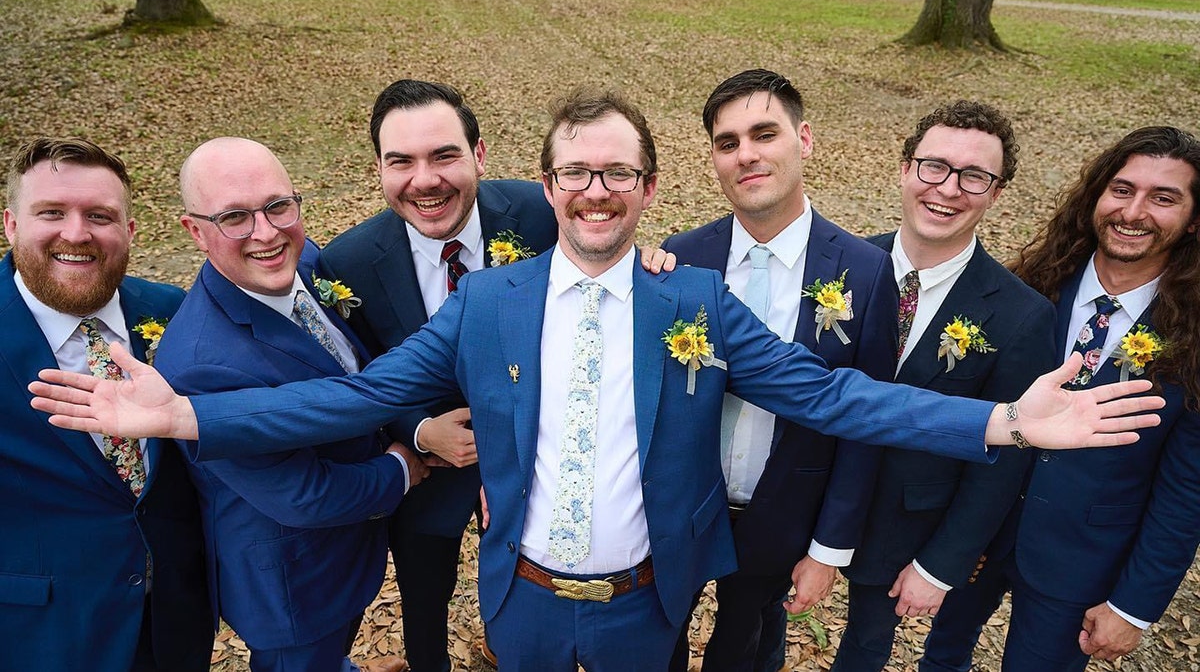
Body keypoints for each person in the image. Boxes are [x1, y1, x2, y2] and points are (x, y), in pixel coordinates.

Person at [30, 90, 1164, 672]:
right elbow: (360, 402)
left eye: (618, 171)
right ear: (548, 184)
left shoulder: (695, 300)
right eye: (576, 171)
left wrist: (1007, 420)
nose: (596, 189)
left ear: (645, 182)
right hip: (518, 601)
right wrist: (184, 411)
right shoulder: (488, 303)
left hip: (642, 606)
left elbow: (833, 396)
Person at [922, 125, 1200, 671]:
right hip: (978, 530)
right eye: (1122, 190)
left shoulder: (1192, 338)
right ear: (1097, 195)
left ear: (1193, 219)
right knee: (940, 655)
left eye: (1163, 198)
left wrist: (1135, 606)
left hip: (1081, 557)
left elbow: (1186, 491)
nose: (1134, 211)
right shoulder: (1030, 288)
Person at [318, 79, 559, 672]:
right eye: (401, 161)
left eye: (444, 155)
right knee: (425, 601)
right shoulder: (348, 263)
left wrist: (653, 260)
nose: (425, 180)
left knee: (537, 598)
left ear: (478, 155)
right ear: (379, 168)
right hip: (428, 473)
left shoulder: (541, 215)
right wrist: (421, 432)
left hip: (541, 462)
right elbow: (361, 370)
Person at [159, 136, 424, 672]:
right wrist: (403, 467)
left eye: (279, 206)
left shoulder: (309, 263)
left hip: (343, 552)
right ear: (194, 230)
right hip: (291, 584)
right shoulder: (198, 363)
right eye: (235, 216)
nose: (267, 232)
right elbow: (304, 495)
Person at [662, 69, 897, 672]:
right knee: (654, 642)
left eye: (764, 134)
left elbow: (865, 421)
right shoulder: (681, 259)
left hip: (786, 510)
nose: (746, 155)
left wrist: (829, 547)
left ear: (805, 139)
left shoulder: (865, 273)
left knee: (745, 651)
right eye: (727, 142)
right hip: (682, 507)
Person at [830, 101, 1056, 671]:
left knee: (863, 651)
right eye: (934, 166)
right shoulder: (841, 264)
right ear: (906, 168)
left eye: (975, 176)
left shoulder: (1021, 315)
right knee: (764, 621)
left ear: (996, 192)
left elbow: (1007, 458)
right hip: (813, 493)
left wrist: (942, 565)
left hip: (907, 522)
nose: (949, 189)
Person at [0, 137, 211, 670]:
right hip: (40, 632)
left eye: (100, 215)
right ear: (12, 224)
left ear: (129, 231)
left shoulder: (173, 309)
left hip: (174, 618)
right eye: (51, 212)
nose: (77, 233)